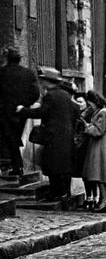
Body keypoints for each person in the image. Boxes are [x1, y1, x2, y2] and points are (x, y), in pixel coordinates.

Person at [16, 67, 76, 205]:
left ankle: (56, 193)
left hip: (53, 136)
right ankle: (64, 192)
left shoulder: (51, 95)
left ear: (48, 81)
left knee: (52, 165)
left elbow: (42, 112)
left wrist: (23, 110)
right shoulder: (65, 95)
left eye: (43, 80)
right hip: (65, 136)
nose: (41, 82)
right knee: (63, 166)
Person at [0, 48, 39, 177]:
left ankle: (15, 166)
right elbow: (35, 94)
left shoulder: (2, 72)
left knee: (9, 138)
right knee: (14, 138)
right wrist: (24, 105)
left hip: (4, 111)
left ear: (7, 58)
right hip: (21, 112)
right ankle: (17, 166)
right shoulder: (28, 73)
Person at [82, 90, 106, 213]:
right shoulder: (104, 111)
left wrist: (87, 127)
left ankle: (104, 201)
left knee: (100, 172)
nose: (89, 105)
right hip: (103, 142)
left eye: (90, 103)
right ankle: (103, 200)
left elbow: (97, 131)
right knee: (101, 173)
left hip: (101, 143)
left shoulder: (102, 112)